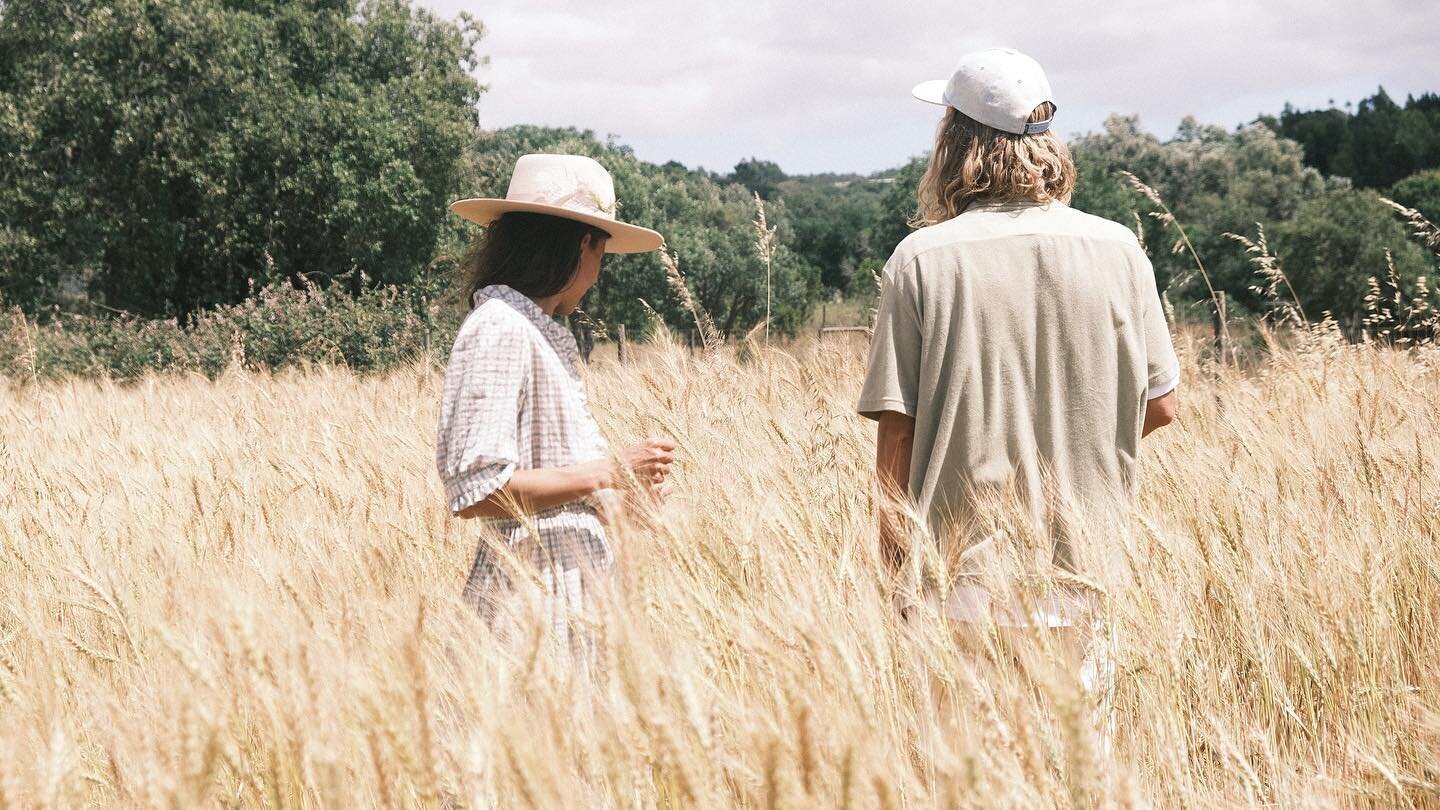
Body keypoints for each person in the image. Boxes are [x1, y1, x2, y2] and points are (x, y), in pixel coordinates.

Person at [858, 48, 1179, 683]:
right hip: (1084, 574)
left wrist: (893, 578)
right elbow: (1162, 404)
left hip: (959, 585)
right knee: (1077, 775)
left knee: (964, 778)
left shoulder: (920, 259)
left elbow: (897, 437)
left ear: (956, 139)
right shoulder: (1120, 249)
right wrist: (1073, 446)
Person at [436, 153, 676, 647]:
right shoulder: (500, 327)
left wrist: (622, 505)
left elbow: (551, 482)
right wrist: (610, 470)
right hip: (527, 619)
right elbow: (477, 490)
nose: (598, 275)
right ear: (583, 245)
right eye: (602, 257)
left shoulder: (535, 332)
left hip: (565, 613)